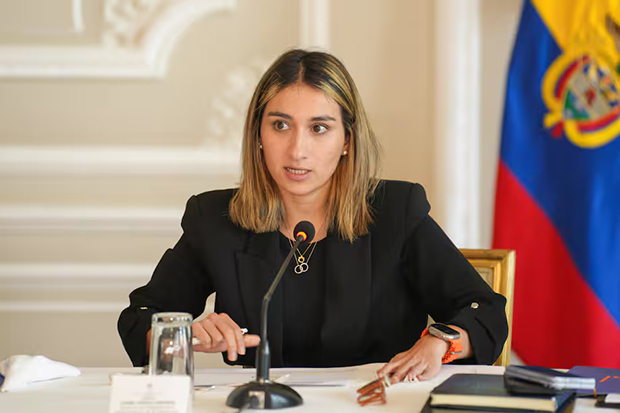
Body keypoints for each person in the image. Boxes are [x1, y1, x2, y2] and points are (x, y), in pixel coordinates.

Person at [118, 49, 508, 382]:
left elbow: (485, 311)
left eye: (319, 128)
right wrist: (183, 336)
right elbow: (140, 318)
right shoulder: (215, 219)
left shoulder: (396, 211)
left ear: (347, 140)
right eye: (280, 125)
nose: (297, 150)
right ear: (258, 135)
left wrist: (439, 342)